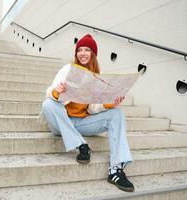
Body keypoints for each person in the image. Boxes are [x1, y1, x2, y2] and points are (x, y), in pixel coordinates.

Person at [41, 34, 134, 192]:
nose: (82, 53)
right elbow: (49, 92)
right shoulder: (67, 69)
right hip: (61, 123)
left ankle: (116, 169)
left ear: (93, 54)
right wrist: (57, 92)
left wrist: (108, 104)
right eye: (80, 50)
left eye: (87, 50)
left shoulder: (97, 76)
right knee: (48, 104)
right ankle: (80, 144)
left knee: (116, 113)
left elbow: (92, 109)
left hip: (82, 123)